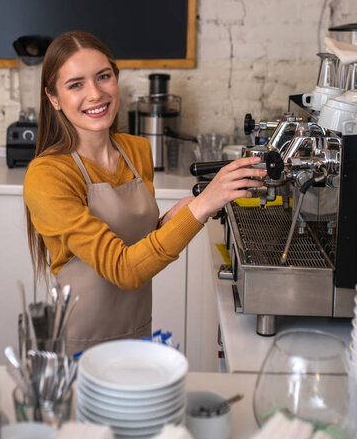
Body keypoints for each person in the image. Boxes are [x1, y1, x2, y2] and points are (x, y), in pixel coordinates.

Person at [24, 30, 266, 355]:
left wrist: (185, 210)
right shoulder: (48, 175)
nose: (95, 94)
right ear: (54, 98)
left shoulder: (136, 151)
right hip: (79, 347)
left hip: (137, 332)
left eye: (103, 77)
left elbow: (140, 242)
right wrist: (202, 207)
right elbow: (123, 269)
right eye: (76, 84)